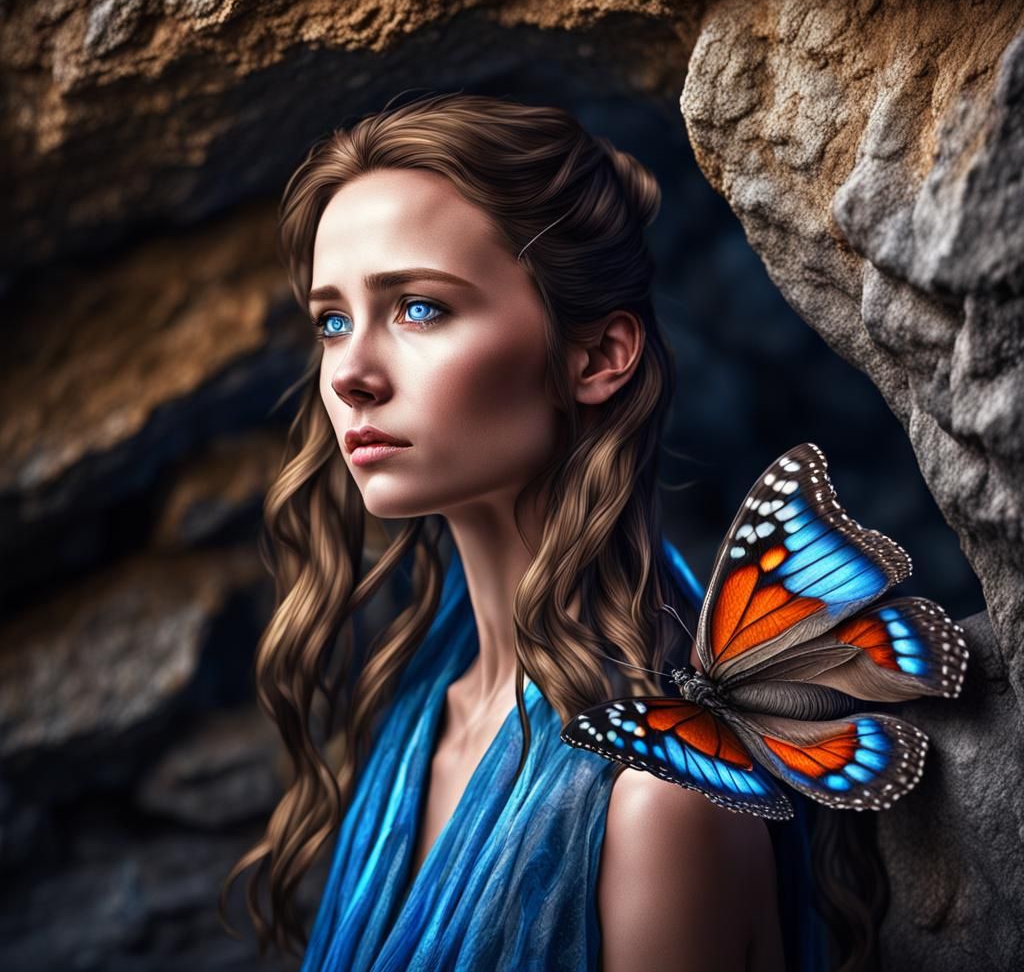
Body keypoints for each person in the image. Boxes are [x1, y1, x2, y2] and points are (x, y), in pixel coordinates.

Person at [219, 90, 819, 970]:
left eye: (419, 307)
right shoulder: (420, 710)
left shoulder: (661, 799)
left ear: (596, 357)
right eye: (332, 321)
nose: (349, 372)